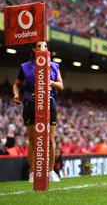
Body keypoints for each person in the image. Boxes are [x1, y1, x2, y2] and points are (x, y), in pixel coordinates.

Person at [12, 41, 64, 183]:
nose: (43, 48)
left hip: (49, 102)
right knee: (33, 139)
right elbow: (16, 84)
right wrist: (16, 95)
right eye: (40, 46)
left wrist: (50, 83)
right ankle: (33, 172)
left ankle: (51, 171)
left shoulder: (54, 66)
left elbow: (61, 85)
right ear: (34, 49)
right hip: (31, 103)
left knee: (50, 139)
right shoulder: (25, 67)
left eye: (45, 46)